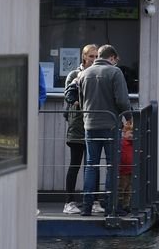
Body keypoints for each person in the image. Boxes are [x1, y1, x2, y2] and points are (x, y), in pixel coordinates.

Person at [72, 44, 131, 216]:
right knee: (112, 166)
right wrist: (129, 118)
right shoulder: (115, 72)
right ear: (111, 57)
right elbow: (122, 101)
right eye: (115, 60)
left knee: (91, 165)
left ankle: (87, 207)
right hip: (110, 125)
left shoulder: (84, 73)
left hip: (89, 125)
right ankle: (110, 207)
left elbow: (81, 102)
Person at [62, 44, 98, 215]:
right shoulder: (74, 74)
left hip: (93, 124)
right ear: (84, 57)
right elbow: (70, 97)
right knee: (75, 164)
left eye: (97, 56)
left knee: (92, 165)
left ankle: (93, 200)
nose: (94, 59)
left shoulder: (98, 74)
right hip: (77, 126)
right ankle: (69, 202)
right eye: (91, 56)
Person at [116, 120, 135, 214]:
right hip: (123, 170)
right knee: (121, 188)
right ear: (124, 133)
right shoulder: (122, 143)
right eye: (130, 133)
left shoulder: (133, 144)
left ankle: (125, 205)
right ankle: (119, 204)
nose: (132, 135)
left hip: (130, 170)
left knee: (128, 189)